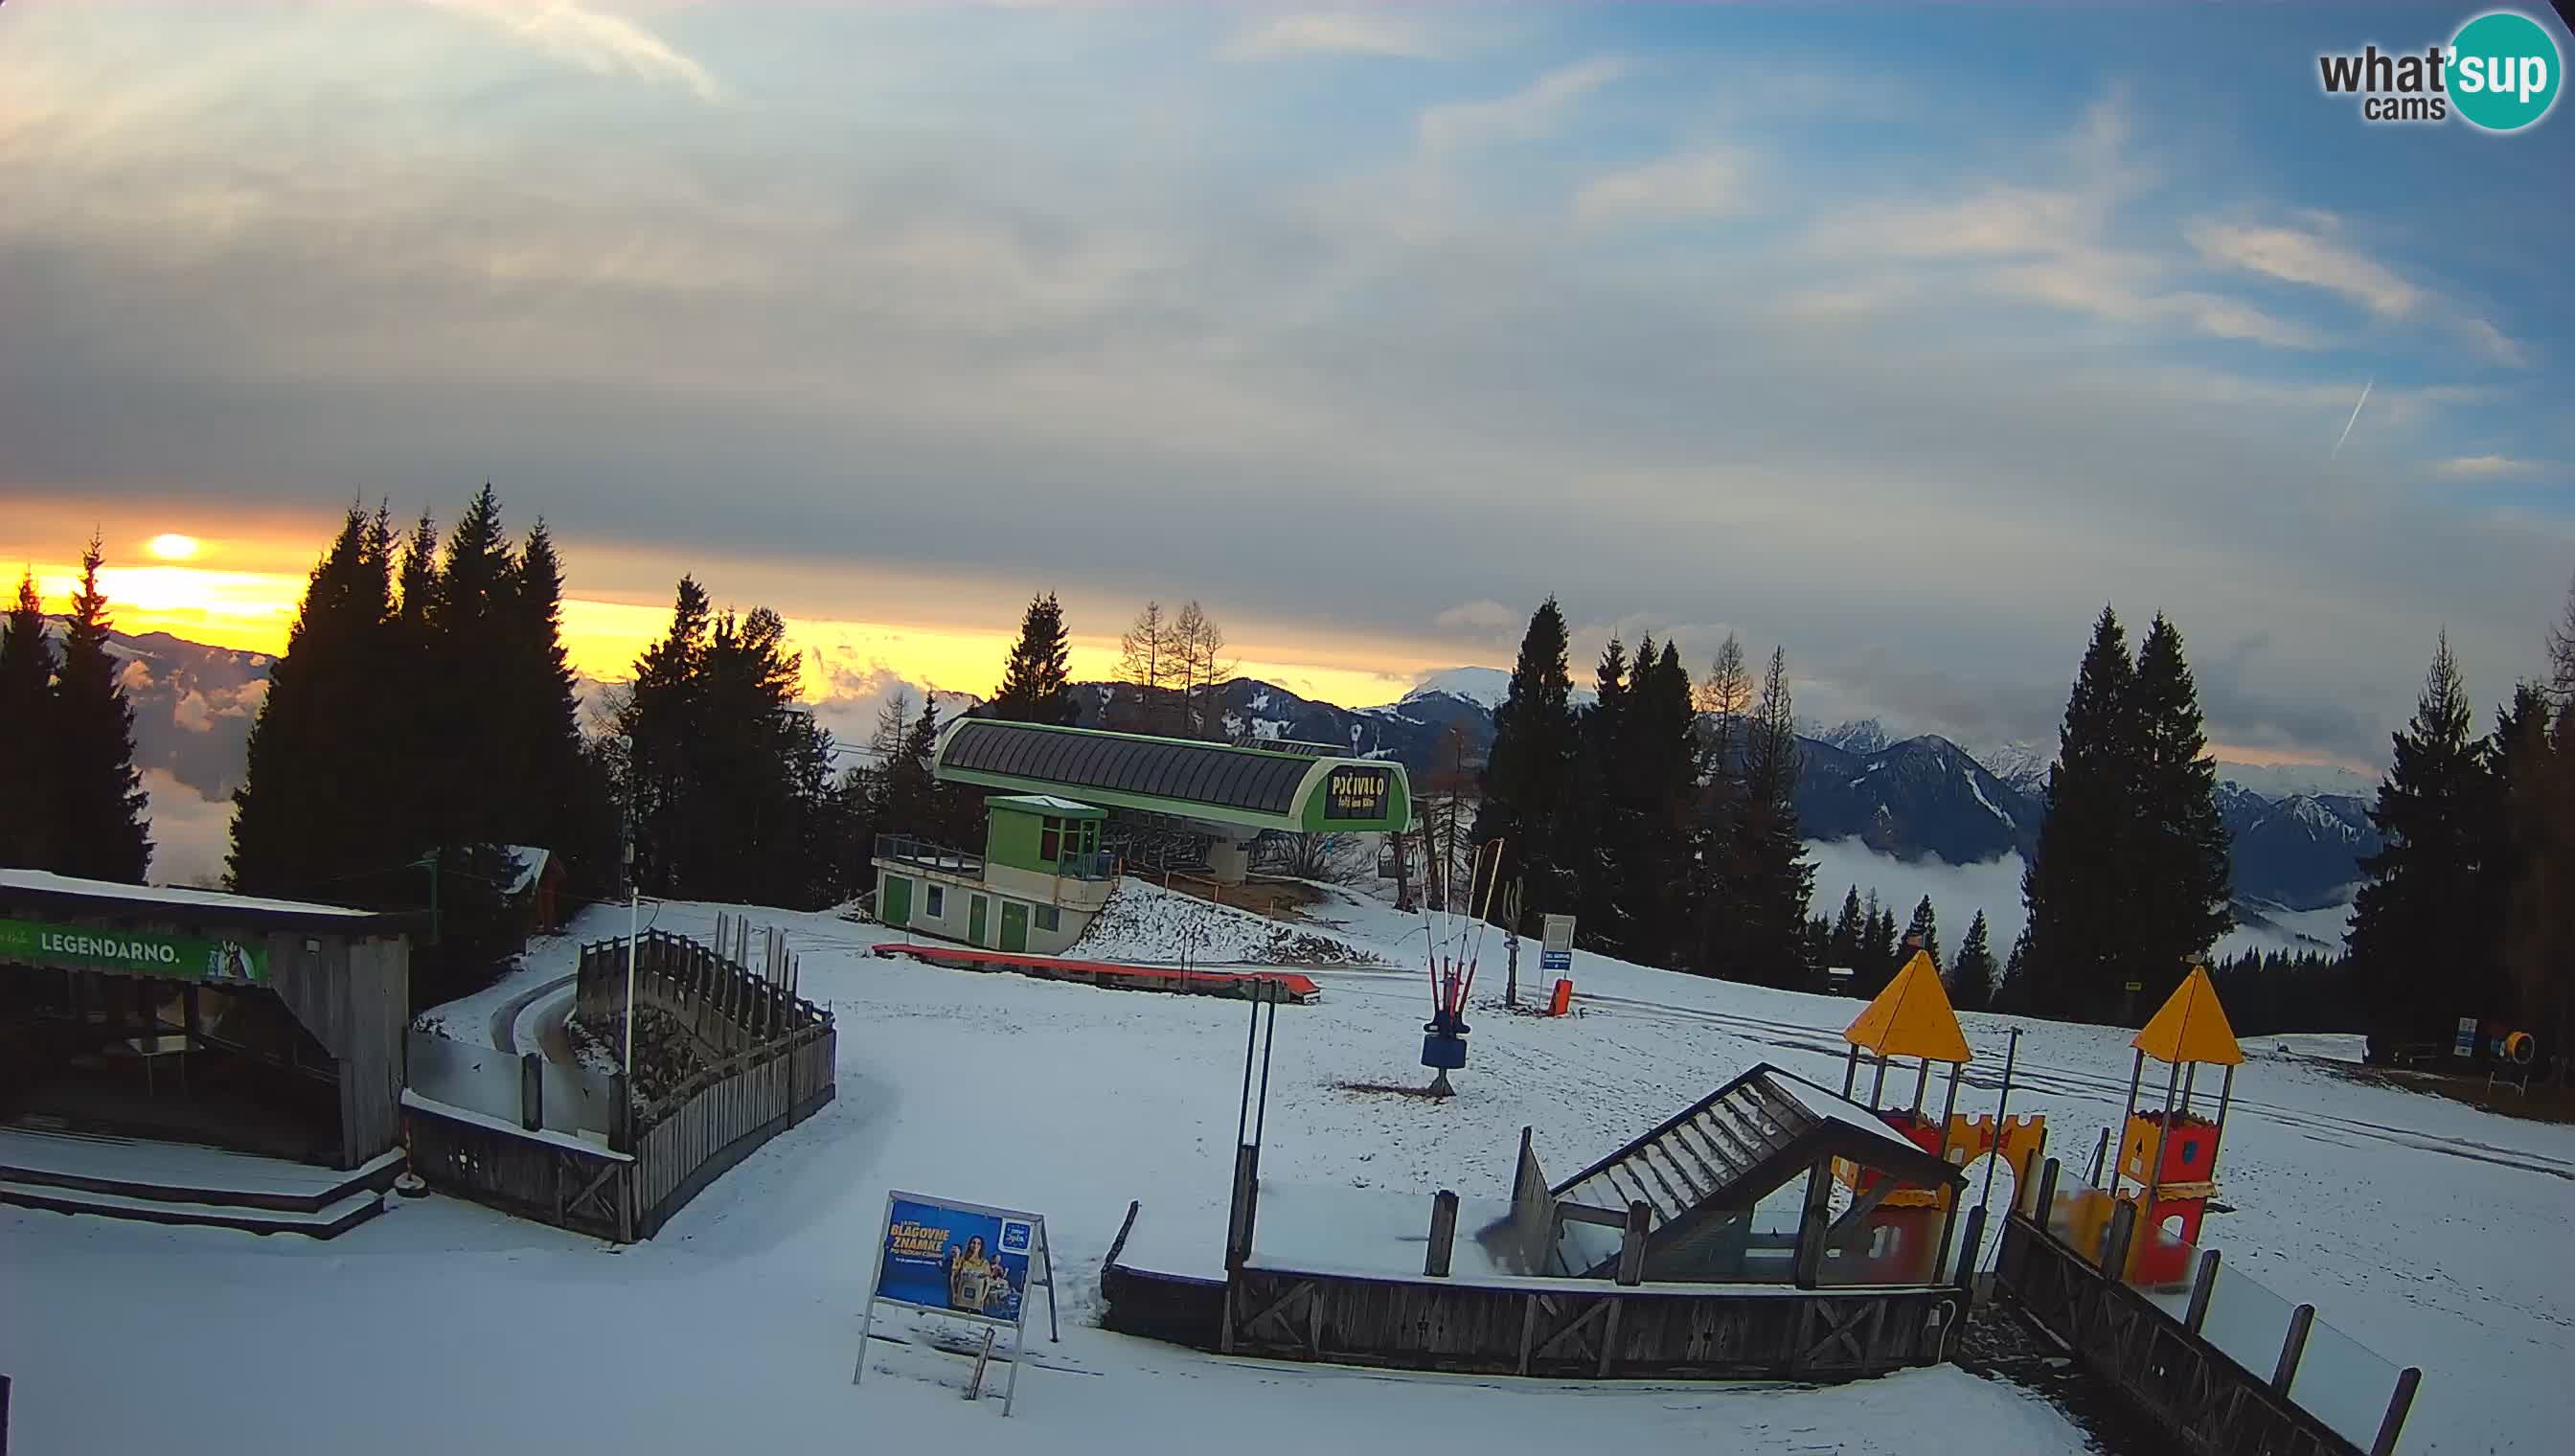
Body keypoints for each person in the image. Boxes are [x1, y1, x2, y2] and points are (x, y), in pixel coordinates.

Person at [947, 1235, 991, 1313]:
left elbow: (988, 1283)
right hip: (961, 1302)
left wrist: (982, 1299)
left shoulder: (985, 1263)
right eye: (973, 1243)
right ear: (970, 1244)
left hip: (976, 1304)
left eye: (978, 1244)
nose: (975, 1245)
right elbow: (953, 1277)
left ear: (981, 1247)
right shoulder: (962, 1260)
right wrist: (954, 1293)